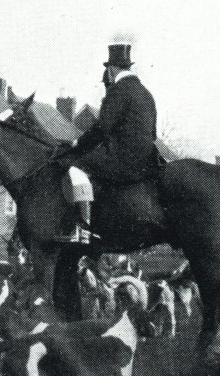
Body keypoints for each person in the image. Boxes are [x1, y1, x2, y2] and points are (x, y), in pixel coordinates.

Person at [60, 43, 159, 244]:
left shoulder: (118, 90)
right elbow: (154, 133)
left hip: (123, 158)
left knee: (75, 169)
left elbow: (102, 128)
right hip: (148, 160)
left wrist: (78, 142)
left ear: (111, 69)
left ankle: (83, 228)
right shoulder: (146, 93)